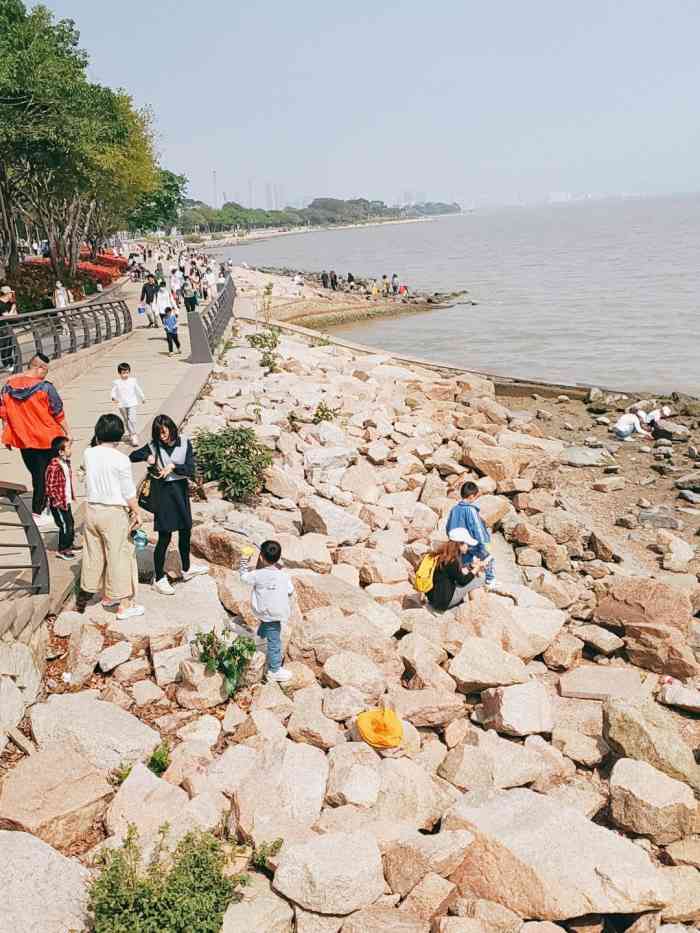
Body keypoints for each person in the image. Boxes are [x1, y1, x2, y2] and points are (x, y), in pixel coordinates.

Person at [130, 414, 208, 595]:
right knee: (164, 537)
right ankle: (159, 578)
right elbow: (133, 456)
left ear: (172, 428)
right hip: (163, 494)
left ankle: (187, 568)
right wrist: (148, 457)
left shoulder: (185, 443)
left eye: (164, 432)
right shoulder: (153, 445)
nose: (162, 437)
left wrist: (173, 466)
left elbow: (189, 469)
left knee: (185, 531)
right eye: (158, 434)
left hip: (180, 491)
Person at [77, 413, 143, 620]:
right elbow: (128, 491)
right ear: (119, 434)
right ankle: (124, 604)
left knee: (94, 553)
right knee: (119, 556)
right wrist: (137, 511)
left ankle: (102, 594)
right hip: (113, 512)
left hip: (92, 510)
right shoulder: (121, 459)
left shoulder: (89, 453)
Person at [0, 353, 70, 526]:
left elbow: (4, 413)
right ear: (40, 368)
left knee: (37, 476)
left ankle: (42, 510)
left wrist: (7, 434)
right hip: (48, 439)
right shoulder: (45, 388)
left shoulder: (8, 387)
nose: (46, 375)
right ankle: (38, 514)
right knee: (47, 477)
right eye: (46, 370)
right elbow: (58, 412)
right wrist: (68, 433)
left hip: (25, 441)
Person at [239, 539, 294, 683]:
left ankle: (258, 640)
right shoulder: (284, 575)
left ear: (261, 558)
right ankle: (274, 670)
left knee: (265, 625)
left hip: (262, 611)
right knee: (275, 642)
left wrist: (244, 560)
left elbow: (244, 577)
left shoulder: (257, 574)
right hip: (275, 614)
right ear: (279, 557)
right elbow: (290, 590)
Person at [446, 481, 497, 588]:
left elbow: (448, 526)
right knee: (488, 557)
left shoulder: (454, 509)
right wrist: (485, 543)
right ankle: (490, 581)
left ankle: (465, 579)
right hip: (470, 542)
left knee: (465, 561)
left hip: (458, 542)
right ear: (471, 496)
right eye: (476, 496)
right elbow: (477, 528)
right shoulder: (471, 510)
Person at [426, 528, 486, 610]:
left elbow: (456, 573)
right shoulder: (452, 561)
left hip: (433, 598)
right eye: (467, 545)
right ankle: (477, 609)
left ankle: (474, 606)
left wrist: (471, 566)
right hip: (443, 602)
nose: (468, 547)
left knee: (474, 577)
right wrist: (476, 568)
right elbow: (462, 581)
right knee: (480, 578)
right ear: (460, 544)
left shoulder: (444, 555)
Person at [44, 435, 77, 560]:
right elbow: (50, 486)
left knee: (70, 523)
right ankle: (62, 549)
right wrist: (56, 500)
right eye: (68, 447)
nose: (71, 450)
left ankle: (69, 544)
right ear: (61, 451)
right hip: (58, 502)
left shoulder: (65, 462)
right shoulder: (54, 466)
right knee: (64, 525)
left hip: (65, 500)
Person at [111, 362, 145, 447]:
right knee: (126, 419)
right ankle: (131, 433)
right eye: (123, 373)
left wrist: (142, 397)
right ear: (119, 373)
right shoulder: (117, 382)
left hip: (132, 402)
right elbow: (113, 391)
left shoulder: (132, 381)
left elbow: (138, 389)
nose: (125, 375)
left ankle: (133, 435)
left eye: (127, 372)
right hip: (122, 404)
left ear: (129, 372)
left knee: (132, 419)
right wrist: (113, 398)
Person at [0, 285, 18, 371]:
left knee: (10, 345)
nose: (12, 294)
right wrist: (13, 308)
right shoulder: (0, 304)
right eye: (10, 293)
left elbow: (15, 316)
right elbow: (6, 316)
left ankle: (11, 363)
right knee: (4, 346)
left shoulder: (8, 303)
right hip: (1, 328)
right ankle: (7, 364)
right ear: (6, 293)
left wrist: (14, 306)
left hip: (7, 327)